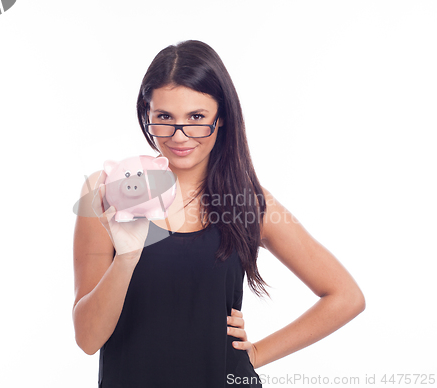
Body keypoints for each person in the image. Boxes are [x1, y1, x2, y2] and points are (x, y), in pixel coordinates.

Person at [72, 40, 365, 388]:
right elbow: (88, 340)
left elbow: (346, 297)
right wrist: (127, 258)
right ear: (146, 115)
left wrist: (253, 353)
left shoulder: (251, 203)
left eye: (197, 118)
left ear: (220, 117)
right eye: (164, 117)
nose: (180, 136)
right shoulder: (108, 191)